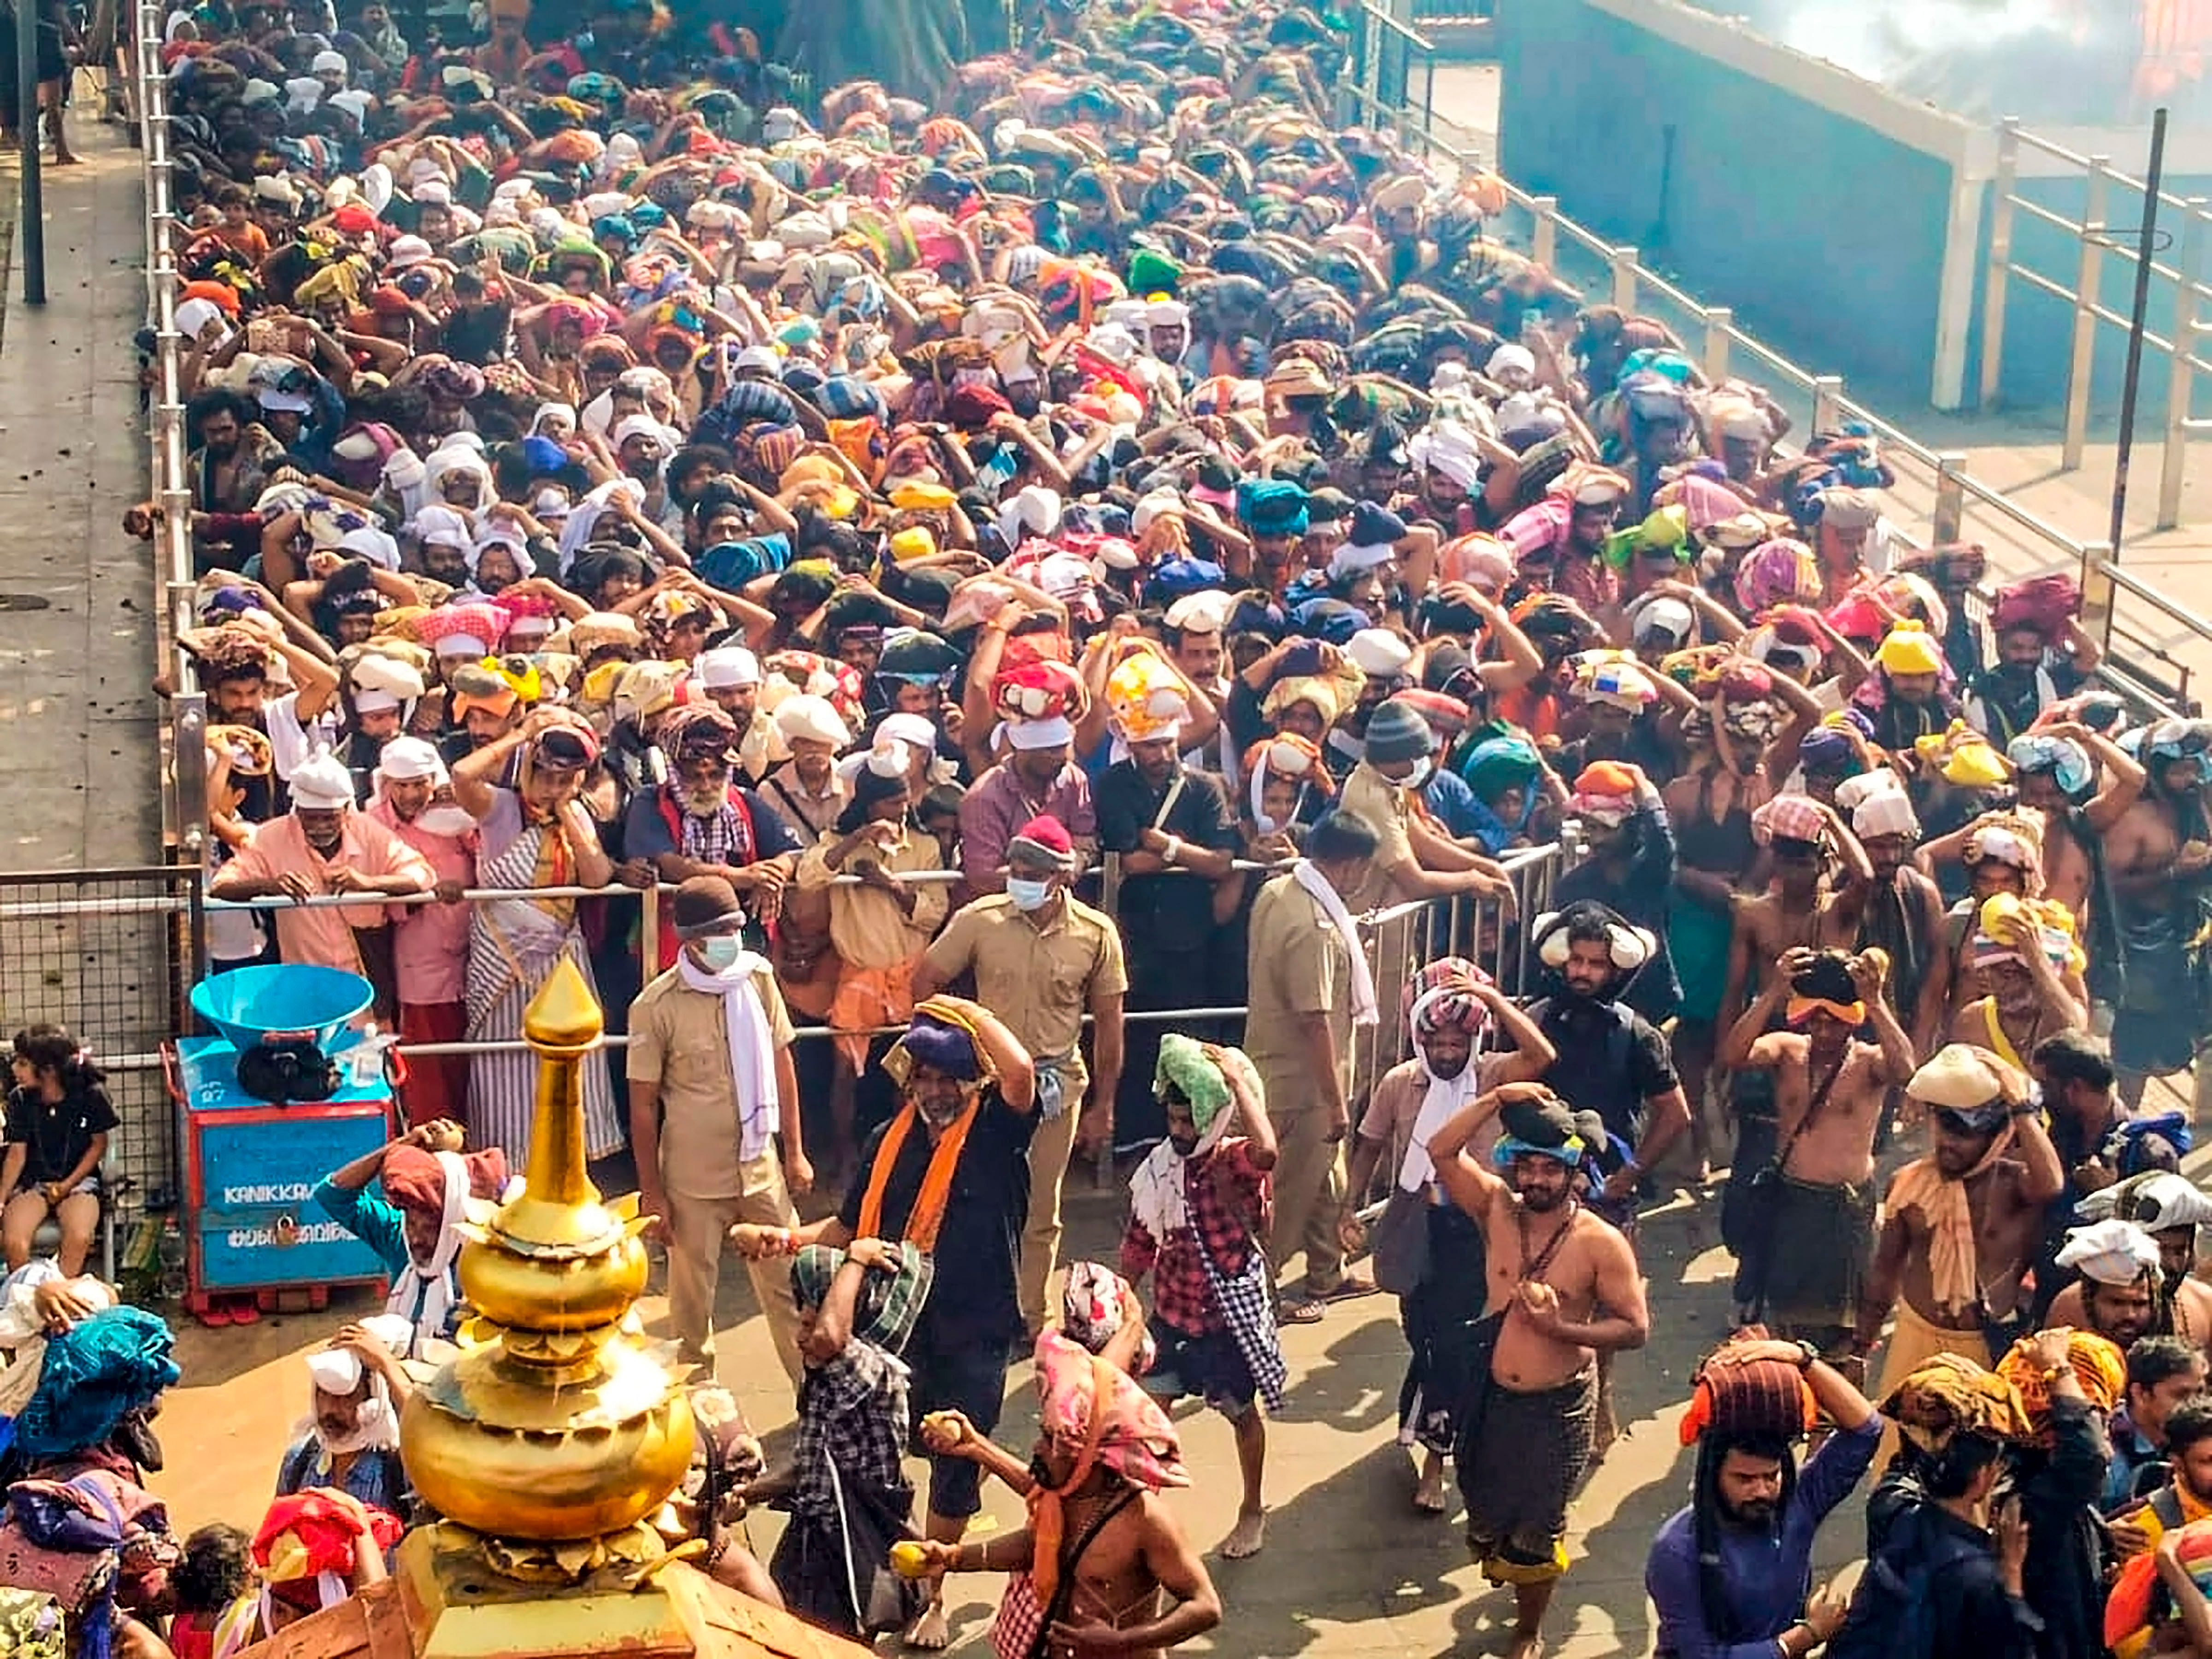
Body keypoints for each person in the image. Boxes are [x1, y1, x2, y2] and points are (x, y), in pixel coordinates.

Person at [730, 997, 1035, 1652]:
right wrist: (780, 1238)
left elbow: (1021, 1074)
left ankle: (933, 1598)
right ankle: (890, 1572)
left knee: (953, 1461)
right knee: (881, 1459)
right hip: (895, 1327)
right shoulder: (887, 1142)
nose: (934, 1090)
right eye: (922, 1077)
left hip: (974, 1328)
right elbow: (846, 1231)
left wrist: (966, 1013)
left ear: (971, 1081)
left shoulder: (995, 1132)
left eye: (948, 1078)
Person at [1427, 1083, 1651, 1659]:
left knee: (1539, 1530)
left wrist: (1562, 1331)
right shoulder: (1498, 1209)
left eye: (1548, 1168)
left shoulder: (1601, 1244)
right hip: (1490, 1393)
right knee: (1485, 1510)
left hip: (1559, 1407)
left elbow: (1635, 1328)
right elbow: (1441, 1151)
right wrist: (1496, 1097)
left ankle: (1529, 1629)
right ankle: (1505, 1567)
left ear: (1574, 1171)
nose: (1535, 1180)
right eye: (1524, 1165)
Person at [1343, 959, 1556, 1512]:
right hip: (1419, 1224)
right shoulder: (1398, 1083)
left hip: (1481, 1229)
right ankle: (1434, 1426)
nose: (1445, 1051)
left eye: (1457, 1040)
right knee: (1425, 1337)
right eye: (1435, 1040)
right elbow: (1366, 1146)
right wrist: (1348, 1210)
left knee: (1461, 1346)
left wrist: (1497, 1000)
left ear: (1475, 1038)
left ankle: (1437, 1465)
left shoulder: (1493, 1078)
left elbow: (1542, 1057)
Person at [912, 813, 1125, 1343]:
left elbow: (1110, 1025)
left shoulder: (1096, 935)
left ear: (1062, 877)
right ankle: (974, 1308)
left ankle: (1030, 1320)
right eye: (1017, 866)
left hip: (1057, 1088)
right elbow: (928, 977)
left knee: (1040, 1210)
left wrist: (1104, 1106)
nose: (1021, 877)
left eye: (1033, 869)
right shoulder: (981, 920)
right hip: (987, 1088)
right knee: (971, 1197)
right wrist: (945, 1050)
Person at [911, 1330, 1221, 1659]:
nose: (1038, 1448)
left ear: (1090, 1457)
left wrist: (1122, 1641)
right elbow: (1036, 1542)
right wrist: (952, 1558)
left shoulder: (1145, 1520)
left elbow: (1204, 1607)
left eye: (1050, 1440)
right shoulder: (1066, 1496)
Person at [629, 875, 809, 1385]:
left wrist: (795, 1151)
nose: (733, 940)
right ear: (691, 941)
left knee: (791, 1294)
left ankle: (812, 1404)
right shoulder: (655, 1006)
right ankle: (700, 1420)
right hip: (693, 1180)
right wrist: (652, 1194)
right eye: (720, 933)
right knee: (690, 1311)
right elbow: (643, 1107)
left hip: (761, 1170)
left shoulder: (757, 980)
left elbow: (782, 1063)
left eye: (736, 928)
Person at [1120, 1037, 1280, 1560]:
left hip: (1223, 1326)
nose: (1181, 1132)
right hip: (1171, 1315)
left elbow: (1268, 1152)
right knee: (1149, 1418)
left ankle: (1252, 1508)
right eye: (1173, 1120)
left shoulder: (1231, 1162)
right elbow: (1140, 1237)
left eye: (1190, 1122)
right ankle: (1143, 1516)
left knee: (1240, 1415)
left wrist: (1235, 1080)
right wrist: (1123, 1299)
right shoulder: (1157, 1170)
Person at [1854, 1045, 2065, 1432]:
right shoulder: (1910, 1184)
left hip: (1983, 1348)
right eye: (1945, 1127)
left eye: (1966, 1133)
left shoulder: (2014, 1186)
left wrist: (2019, 1109)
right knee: (1900, 1458)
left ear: (1999, 1137)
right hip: (1915, 1341)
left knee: (1975, 1470)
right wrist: (1860, 1351)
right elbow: (1885, 1273)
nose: (1951, 1142)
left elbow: (2052, 1183)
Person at [1718, 946, 1913, 1362]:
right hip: (1791, 1201)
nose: (1825, 1033)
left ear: (1852, 1020)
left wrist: (1876, 1003)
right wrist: (1772, 992)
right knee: (1786, 1317)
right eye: (1817, 1021)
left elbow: (1906, 1071)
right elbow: (1734, 1056)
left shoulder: (1868, 1063)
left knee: (1849, 1330)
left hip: (1845, 1209)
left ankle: (1841, 1401)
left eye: (1836, 1022)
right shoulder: (1787, 1050)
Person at [450, 709, 622, 1165]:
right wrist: (520, 735)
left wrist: (567, 812)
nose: (551, 786)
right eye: (545, 775)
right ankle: (505, 1165)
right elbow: (461, 775)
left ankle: (569, 1164)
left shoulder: (576, 815)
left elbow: (597, 876)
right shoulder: (501, 808)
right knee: (504, 1058)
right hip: (503, 958)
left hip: (560, 958)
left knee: (566, 1055)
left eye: (564, 779)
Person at [1646, 1336, 1882, 1659]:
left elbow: (1866, 1429)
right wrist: (1808, 1635)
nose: (1761, 1490)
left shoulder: (1799, 1504)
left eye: (1771, 1476)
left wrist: (1803, 1359)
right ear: (1712, 1474)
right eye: (1744, 1479)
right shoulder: (1677, 1549)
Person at [1241, 809, 1384, 1324]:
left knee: (1328, 1182)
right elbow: (1315, 1020)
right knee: (1286, 1195)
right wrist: (1335, 1102)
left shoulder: (1279, 892)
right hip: (1303, 1086)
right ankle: (1261, 1296)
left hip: (1276, 1066)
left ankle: (1329, 1271)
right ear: (1349, 866)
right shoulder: (1316, 927)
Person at [742, 1238, 926, 1637]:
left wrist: (856, 1257)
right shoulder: (827, 1374)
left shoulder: (874, 1372)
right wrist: (748, 1494)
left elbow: (830, 1338)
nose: (801, 1338)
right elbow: (812, 1463)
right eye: (802, 1323)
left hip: (848, 1550)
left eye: (810, 1324)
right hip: (812, 1533)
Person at [208, 748, 435, 1019]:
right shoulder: (273, 836)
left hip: (366, 985)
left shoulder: (368, 832)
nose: (320, 827)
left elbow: (423, 876)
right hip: (304, 986)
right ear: (297, 812)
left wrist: (367, 883)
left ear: (346, 812)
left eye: (329, 818)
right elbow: (221, 886)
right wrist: (271, 885)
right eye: (311, 818)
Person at [311, 1119, 508, 1358]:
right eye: (411, 1220)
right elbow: (332, 1195)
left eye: (427, 1226)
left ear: (452, 1217)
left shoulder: (485, 1268)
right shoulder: (398, 1234)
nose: (414, 1235)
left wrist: (383, 1361)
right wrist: (401, 1145)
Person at [362, 737, 475, 1127]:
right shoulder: (372, 821)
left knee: (469, 1054)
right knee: (426, 1053)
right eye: (401, 785)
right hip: (416, 950)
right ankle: (434, 1135)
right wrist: (418, 892)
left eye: (419, 784)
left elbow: (482, 848)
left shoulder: (454, 810)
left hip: (474, 949)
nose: (410, 795)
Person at [1, 1025, 116, 1275]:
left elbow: (99, 1145)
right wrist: (1, 1197)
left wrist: (67, 1185)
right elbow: (17, 1153)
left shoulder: (91, 1095)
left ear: (48, 1070)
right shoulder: (20, 1100)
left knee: (79, 1236)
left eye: (22, 1063)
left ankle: (63, 1299)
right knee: (14, 1241)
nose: (15, 1070)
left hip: (79, 1183)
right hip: (34, 1183)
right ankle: (25, 1299)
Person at [273, 1317, 412, 1515]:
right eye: (323, 1394)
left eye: (345, 1398)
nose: (330, 1409)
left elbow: (429, 1434)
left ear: (371, 1401)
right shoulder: (299, 1460)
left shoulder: (398, 1469)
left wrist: (385, 1363)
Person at [2104, 1335, 2208, 1512]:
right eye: (2181, 1395)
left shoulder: (2203, 1439)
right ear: (2140, 1395)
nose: (2195, 1405)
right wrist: (2107, 1532)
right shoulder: (2106, 1451)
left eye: (2200, 1393)